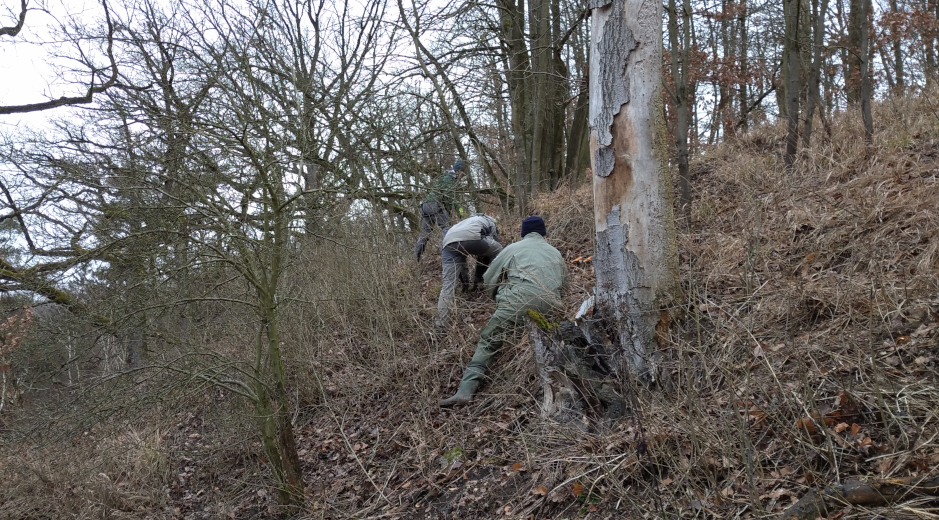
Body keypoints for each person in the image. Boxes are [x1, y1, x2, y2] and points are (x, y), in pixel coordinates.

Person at [439, 216, 569, 408]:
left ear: (523, 233)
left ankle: (465, 390)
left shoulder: (512, 249)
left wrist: (499, 298)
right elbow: (564, 287)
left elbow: (490, 277)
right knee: (552, 340)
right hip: (552, 304)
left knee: (489, 340)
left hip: (515, 302)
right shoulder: (556, 253)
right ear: (544, 233)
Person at [435, 214, 502, 329]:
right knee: (499, 251)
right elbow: (490, 248)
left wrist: (465, 282)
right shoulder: (491, 223)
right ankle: (500, 284)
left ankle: (441, 326)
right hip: (472, 237)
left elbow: (462, 265)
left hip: (448, 242)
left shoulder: (466, 222)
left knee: (447, 287)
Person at [413, 159, 465, 262]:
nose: (463, 177)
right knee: (446, 228)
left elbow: (448, 198)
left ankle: (415, 257)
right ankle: (447, 252)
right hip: (434, 205)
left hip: (425, 206)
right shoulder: (449, 179)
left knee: (425, 233)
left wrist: (457, 209)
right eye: (463, 174)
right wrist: (452, 212)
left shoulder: (444, 178)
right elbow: (448, 198)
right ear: (459, 171)